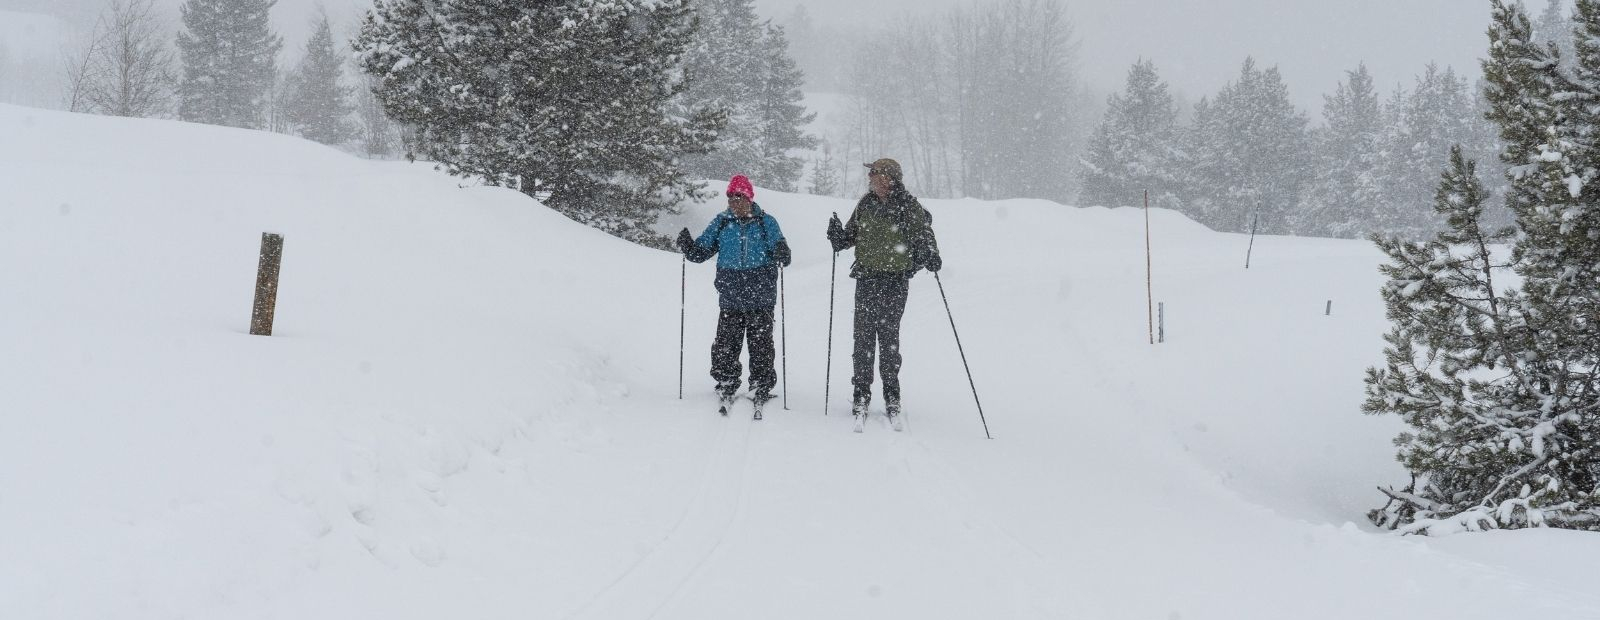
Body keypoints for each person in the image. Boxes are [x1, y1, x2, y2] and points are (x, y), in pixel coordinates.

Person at [827, 158, 942, 432]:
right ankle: (861, 395)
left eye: (875, 174)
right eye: (872, 175)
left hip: (895, 281)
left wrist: (931, 254)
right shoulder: (866, 204)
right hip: (866, 279)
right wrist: (836, 236)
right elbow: (848, 237)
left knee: (889, 338)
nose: (871, 178)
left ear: (889, 178)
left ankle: (892, 395)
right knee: (863, 338)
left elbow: (924, 234)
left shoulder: (907, 205)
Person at [678, 175, 792, 415]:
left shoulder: (766, 222)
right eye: (730, 197)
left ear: (749, 198)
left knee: (760, 343)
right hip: (731, 294)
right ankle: (726, 380)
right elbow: (702, 252)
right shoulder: (721, 223)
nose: (733, 202)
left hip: (761, 294)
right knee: (726, 343)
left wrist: (782, 251)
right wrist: (688, 247)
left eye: (738, 197)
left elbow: (782, 252)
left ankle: (761, 382)